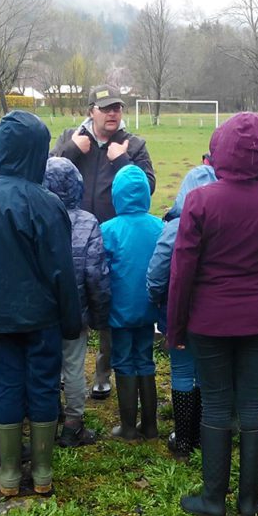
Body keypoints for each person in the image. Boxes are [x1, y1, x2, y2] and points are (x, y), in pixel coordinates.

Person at [168, 113, 258, 516]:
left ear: (219, 148)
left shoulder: (201, 199)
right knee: (254, 403)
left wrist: (176, 326)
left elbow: (182, 267)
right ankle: (249, 504)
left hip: (211, 318)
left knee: (218, 404)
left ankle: (213, 500)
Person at [0, 110, 81, 497]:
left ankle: (10, 473)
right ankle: (42, 472)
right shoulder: (46, 202)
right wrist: (70, 319)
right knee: (44, 385)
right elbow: (62, 268)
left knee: (7, 385)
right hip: (41, 315)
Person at [51, 84, 156, 401]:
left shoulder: (133, 144)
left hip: (114, 240)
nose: (113, 113)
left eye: (118, 108)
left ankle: (102, 374)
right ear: (91, 111)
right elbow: (48, 176)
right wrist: (72, 151)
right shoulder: (70, 138)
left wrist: (123, 161)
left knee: (112, 303)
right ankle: (63, 372)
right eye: (106, 107)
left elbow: (146, 187)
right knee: (67, 304)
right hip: (71, 239)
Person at [147, 148, 217, 458]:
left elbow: (158, 272)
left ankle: (184, 439)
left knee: (182, 370)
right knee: (204, 371)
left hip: (178, 312)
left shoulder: (174, 228)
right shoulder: (222, 225)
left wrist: (156, 296)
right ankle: (202, 433)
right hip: (212, 314)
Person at [43, 156, 110, 447]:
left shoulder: (37, 217)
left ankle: (49, 415)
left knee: (46, 365)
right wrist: (99, 313)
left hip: (42, 310)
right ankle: (73, 423)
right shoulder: (87, 222)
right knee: (73, 366)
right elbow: (95, 273)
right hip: (76, 309)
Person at [101, 165, 163, 441]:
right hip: (149, 307)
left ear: (116, 194)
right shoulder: (158, 225)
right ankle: (150, 426)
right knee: (145, 360)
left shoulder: (108, 230)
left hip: (120, 310)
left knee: (124, 361)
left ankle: (127, 427)